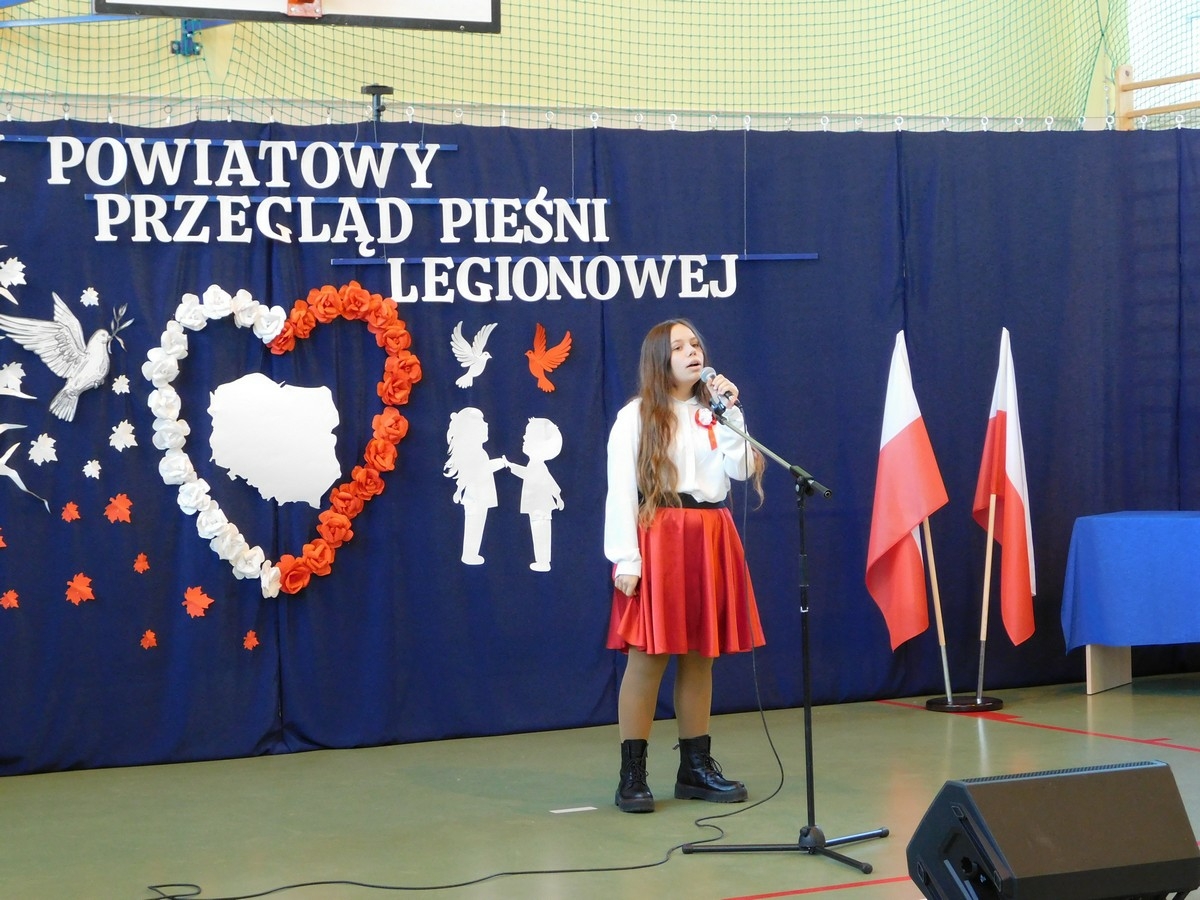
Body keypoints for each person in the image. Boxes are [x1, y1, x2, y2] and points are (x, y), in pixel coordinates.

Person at [604, 318, 765, 814]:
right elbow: (620, 491)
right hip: (660, 535)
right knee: (648, 658)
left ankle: (695, 768)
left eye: (695, 343)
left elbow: (742, 468)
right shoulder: (635, 416)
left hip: (710, 534)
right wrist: (626, 558)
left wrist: (731, 413)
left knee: (700, 656)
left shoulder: (715, 412)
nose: (692, 352)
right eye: (679, 347)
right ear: (660, 359)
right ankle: (633, 774)